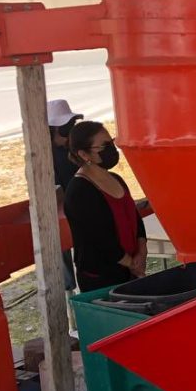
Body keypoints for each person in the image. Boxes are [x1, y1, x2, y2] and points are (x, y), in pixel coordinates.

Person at [62, 121, 146, 293]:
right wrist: (132, 264)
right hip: (102, 277)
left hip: (129, 270)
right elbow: (100, 239)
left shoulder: (116, 179)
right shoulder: (80, 191)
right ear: (84, 154)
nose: (112, 149)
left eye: (111, 142)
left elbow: (134, 218)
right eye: (104, 146)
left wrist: (141, 250)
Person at [46, 99, 83, 292]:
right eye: (66, 128)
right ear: (53, 130)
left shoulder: (73, 149)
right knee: (61, 246)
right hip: (57, 210)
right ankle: (67, 289)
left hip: (79, 204)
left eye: (71, 126)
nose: (70, 133)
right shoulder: (43, 157)